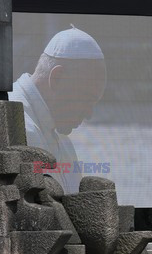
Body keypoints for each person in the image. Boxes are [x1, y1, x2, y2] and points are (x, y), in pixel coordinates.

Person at [9, 26, 107, 194]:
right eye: (86, 99)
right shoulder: (11, 120)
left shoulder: (63, 140)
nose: (89, 114)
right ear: (56, 78)